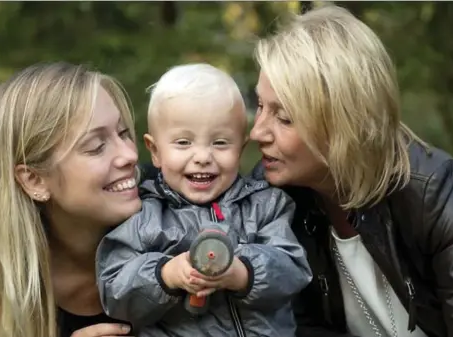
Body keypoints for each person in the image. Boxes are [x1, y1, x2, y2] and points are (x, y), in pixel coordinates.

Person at [248, 4, 453, 337]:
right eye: (260, 106)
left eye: (284, 117)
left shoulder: (434, 191)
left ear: (342, 122)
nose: (257, 132)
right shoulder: (271, 200)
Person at [96, 63, 312, 336]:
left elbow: (293, 268)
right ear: (155, 151)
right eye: (183, 143)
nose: (202, 157)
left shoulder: (264, 205)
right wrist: (166, 274)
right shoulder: (143, 216)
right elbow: (114, 291)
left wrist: (242, 272)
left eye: (220, 143)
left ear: (240, 149)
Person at [0, 62, 140, 337]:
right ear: (34, 180)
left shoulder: (182, 221)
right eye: (97, 146)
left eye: (124, 133)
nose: (130, 155)